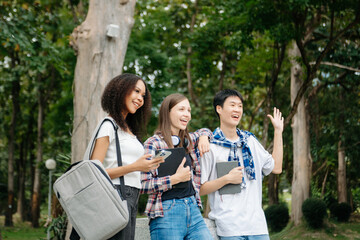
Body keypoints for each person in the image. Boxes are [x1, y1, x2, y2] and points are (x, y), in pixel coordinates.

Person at [84, 73, 164, 240]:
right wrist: (135, 166)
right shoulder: (109, 126)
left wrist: (148, 164)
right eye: (136, 91)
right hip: (116, 194)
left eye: (143, 95)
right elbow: (95, 172)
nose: (140, 99)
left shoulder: (127, 129)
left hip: (132, 195)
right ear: (120, 90)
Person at [200, 89, 284, 240]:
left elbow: (276, 167)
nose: (237, 109)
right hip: (229, 228)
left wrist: (278, 131)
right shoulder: (210, 146)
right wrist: (226, 179)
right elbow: (200, 188)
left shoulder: (250, 142)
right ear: (219, 109)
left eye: (240, 106)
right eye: (232, 105)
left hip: (257, 227)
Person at [141, 93, 214, 240]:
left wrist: (204, 137)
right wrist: (174, 179)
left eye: (189, 110)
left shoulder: (189, 140)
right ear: (167, 113)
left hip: (193, 208)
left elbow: (206, 131)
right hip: (166, 212)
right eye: (181, 109)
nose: (187, 114)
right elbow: (143, 185)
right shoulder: (153, 144)